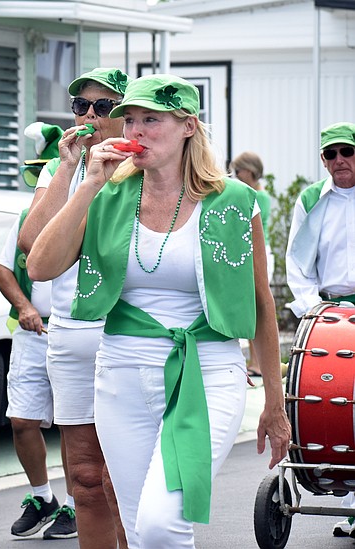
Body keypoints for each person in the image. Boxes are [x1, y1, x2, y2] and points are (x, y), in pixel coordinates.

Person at [27, 74, 290, 547]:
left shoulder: (234, 200)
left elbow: (262, 306)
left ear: (188, 126)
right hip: (121, 372)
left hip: (207, 370)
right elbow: (40, 265)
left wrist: (275, 402)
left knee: (160, 523)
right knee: (137, 528)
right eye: (130, 119)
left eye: (152, 119)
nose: (136, 130)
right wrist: (87, 185)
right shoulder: (109, 192)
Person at [17, 68, 129, 548]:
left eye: (102, 108)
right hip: (67, 332)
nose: (88, 116)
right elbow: (30, 244)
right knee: (83, 477)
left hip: (123, 331)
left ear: (125, 116)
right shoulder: (58, 168)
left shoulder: (143, 166)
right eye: (80, 107)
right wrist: (66, 168)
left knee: (119, 477)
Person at [0, 123, 77, 538]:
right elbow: (3, 271)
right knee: (22, 421)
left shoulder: (91, 207)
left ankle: (79, 504)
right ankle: (43, 496)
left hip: (75, 331)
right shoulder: (28, 218)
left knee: (75, 424)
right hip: (33, 334)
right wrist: (24, 306)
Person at [284, 121, 355, 538]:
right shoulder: (312, 199)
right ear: (323, 159)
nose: (340, 161)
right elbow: (297, 261)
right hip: (330, 314)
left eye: (347, 151)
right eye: (331, 154)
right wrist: (315, 310)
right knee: (335, 406)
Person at [230, 151, 273, 376]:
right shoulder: (253, 194)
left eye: (238, 171)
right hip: (248, 252)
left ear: (249, 170)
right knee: (248, 306)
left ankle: (258, 362)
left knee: (256, 307)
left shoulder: (259, 197)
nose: (236, 175)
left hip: (258, 254)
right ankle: (253, 361)